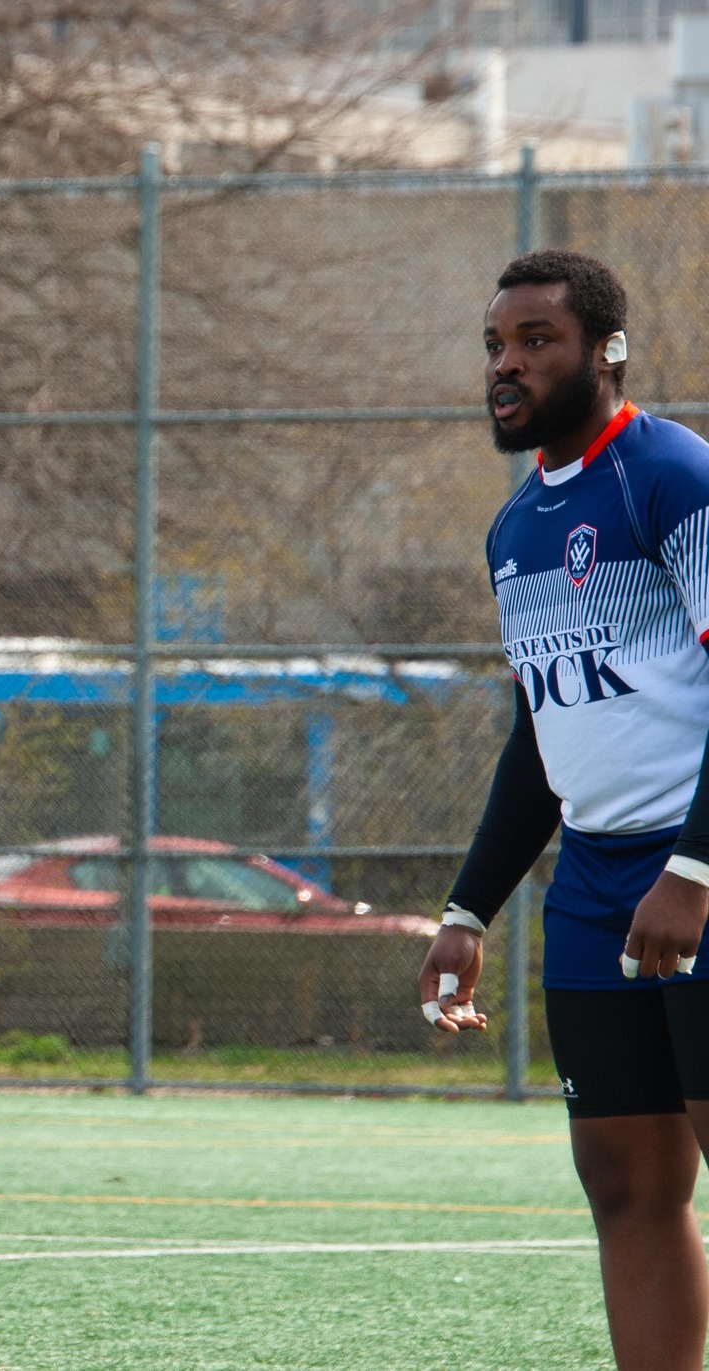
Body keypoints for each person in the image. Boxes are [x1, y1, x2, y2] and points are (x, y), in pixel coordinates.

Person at [421, 248, 709, 1371]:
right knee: (625, 1184)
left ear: (604, 352)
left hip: (690, 873)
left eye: (535, 341)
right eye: (494, 345)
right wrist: (466, 910)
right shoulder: (511, 533)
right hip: (595, 893)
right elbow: (539, 740)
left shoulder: (673, 477)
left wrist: (691, 872)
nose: (506, 365)